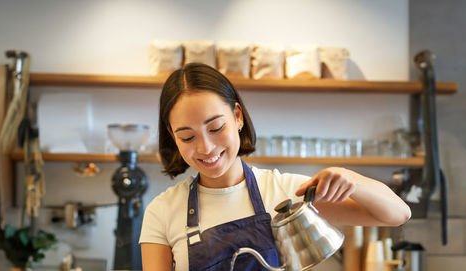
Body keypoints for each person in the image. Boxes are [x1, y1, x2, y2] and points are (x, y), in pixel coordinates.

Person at [139, 63, 411, 270]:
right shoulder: (162, 211)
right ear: (172, 135)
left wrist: (352, 178)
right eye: (187, 137)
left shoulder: (287, 193)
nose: (206, 148)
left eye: (216, 127)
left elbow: (398, 214)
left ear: (237, 116)